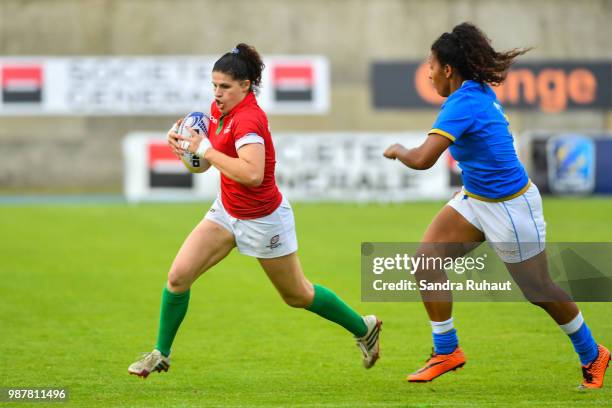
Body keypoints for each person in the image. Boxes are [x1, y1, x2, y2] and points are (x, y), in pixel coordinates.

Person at [128, 43, 381, 378]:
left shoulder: (248, 119)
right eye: (214, 85)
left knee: (297, 295)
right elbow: (205, 166)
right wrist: (187, 152)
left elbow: (251, 174)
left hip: (263, 220)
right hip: (227, 212)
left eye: (225, 87)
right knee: (178, 278)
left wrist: (205, 149)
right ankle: (161, 353)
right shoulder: (218, 112)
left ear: (246, 85)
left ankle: (363, 327)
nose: (217, 93)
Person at [383, 23, 609, 388]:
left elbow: (423, 159)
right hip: (476, 198)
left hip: (510, 207)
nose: (428, 72)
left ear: (448, 70)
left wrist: (398, 150)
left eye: (431, 65)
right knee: (426, 262)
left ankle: (592, 353)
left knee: (539, 291)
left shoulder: (464, 102)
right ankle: (447, 350)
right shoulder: (472, 92)